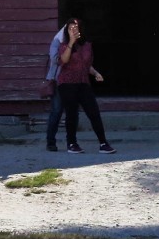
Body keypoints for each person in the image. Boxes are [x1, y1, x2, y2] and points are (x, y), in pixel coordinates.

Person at [55, 18, 114, 153]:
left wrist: (95, 73)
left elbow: (86, 65)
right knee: (72, 114)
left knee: (93, 112)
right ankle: (71, 144)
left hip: (83, 82)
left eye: (75, 28)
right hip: (67, 83)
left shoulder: (87, 45)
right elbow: (64, 60)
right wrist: (71, 42)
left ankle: (103, 143)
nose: (73, 30)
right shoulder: (63, 44)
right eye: (70, 28)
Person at [42, 22, 68, 152]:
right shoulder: (57, 42)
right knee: (56, 112)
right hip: (58, 81)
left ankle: (72, 143)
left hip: (72, 82)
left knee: (72, 112)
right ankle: (50, 142)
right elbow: (55, 59)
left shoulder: (79, 44)